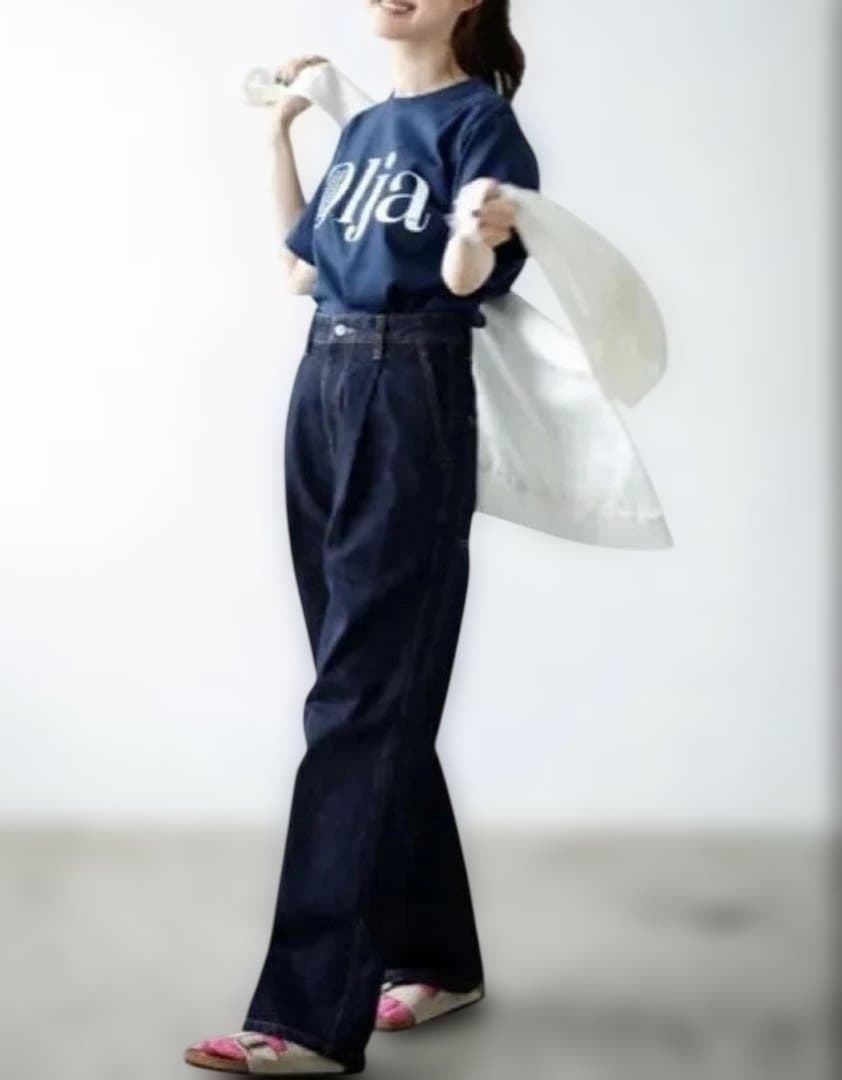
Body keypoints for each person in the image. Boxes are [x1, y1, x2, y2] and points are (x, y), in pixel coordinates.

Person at [184, 0, 540, 1074]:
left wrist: (475, 235)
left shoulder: (481, 124)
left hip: (410, 385)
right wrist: (278, 136)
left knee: (357, 701)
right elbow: (300, 269)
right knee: (371, 691)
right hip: (324, 383)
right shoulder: (369, 126)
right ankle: (437, 957)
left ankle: (306, 1017)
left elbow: (466, 282)